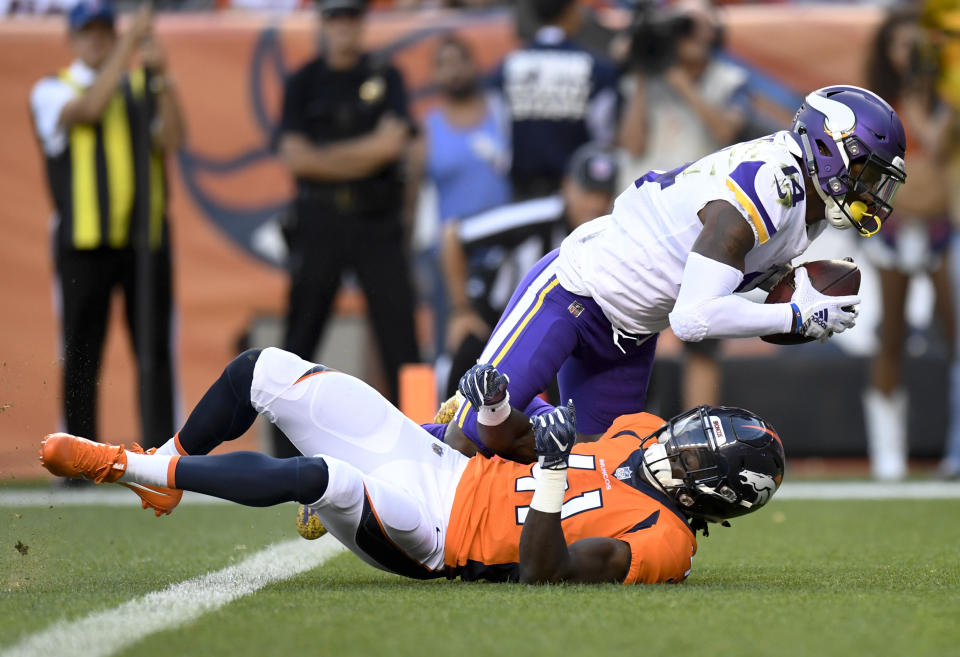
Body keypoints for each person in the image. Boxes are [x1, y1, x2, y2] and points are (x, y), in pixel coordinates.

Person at [39, 349, 785, 584]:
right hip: (441, 464)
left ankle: (135, 470)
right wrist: (496, 414)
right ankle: (170, 459)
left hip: (434, 532)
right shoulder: (640, 431)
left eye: (693, 451)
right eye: (690, 432)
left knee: (324, 476)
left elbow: (545, 570)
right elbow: (522, 453)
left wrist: (554, 470)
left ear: (711, 490)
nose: (674, 442)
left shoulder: (665, 540)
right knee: (263, 370)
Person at [449, 85, 907, 458]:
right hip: (574, 292)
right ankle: (392, 474)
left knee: (603, 468)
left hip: (629, 334)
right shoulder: (770, 183)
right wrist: (796, 316)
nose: (870, 191)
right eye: (866, 173)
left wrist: (792, 292)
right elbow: (694, 318)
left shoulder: (806, 204)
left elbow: (723, 275)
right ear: (829, 146)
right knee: (472, 436)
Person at [29, 2, 186, 458]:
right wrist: (132, 44)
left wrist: (164, 77)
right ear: (73, 39)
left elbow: (173, 139)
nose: (97, 40)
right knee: (82, 353)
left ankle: (162, 456)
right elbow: (91, 109)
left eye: (105, 32)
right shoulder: (52, 89)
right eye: (89, 32)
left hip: (144, 241)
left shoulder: (142, 87)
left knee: (154, 351)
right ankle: (78, 455)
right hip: (84, 242)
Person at [274, 0, 421, 456]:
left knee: (401, 337)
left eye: (352, 17)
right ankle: (283, 451)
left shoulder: (386, 76)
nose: (344, 26)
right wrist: (366, 154)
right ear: (323, 23)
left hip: (377, 220)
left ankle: (420, 445)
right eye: (336, 17)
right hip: (320, 221)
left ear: (362, 22)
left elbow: (394, 145)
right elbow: (294, 157)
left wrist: (324, 161)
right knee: (300, 336)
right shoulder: (304, 81)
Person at [618, 0, 751, 410]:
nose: (685, 36)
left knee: (703, 337)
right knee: (627, 336)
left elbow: (729, 131)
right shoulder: (646, 79)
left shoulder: (729, 80)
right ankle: (623, 442)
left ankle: (701, 437)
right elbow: (631, 143)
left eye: (691, 27)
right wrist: (643, 73)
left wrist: (682, 84)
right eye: (680, 28)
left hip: (702, 221)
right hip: (644, 220)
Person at [441, 142, 618, 403]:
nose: (594, 204)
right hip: (498, 320)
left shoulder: (612, 234)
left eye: (602, 195)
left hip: (561, 331)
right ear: (567, 186)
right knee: (467, 364)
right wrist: (461, 310)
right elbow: (453, 234)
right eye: (587, 191)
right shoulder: (537, 216)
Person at [859, 9, 955, 481]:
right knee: (891, 335)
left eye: (919, 46)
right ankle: (887, 452)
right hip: (894, 229)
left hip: (943, 228)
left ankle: (952, 449)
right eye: (902, 46)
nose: (911, 56)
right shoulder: (875, 104)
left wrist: (925, 99)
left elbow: (939, 149)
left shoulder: (946, 100)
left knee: (955, 334)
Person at [413, 33, 512, 360]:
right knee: (454, 352)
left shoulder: (501, 115)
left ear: (474, 64)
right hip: (452, 259)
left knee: (509, 350)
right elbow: (411, 199)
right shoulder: (428, 129)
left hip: (505, 255)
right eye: (444, 64)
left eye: (459, 61)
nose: (453, 71)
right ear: (434, 74)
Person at [493, 0, 619, 199]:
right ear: (569, 10)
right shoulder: (598, 69)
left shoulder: (507, 66)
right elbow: (603, 137)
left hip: (524, 193)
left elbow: (500, 133)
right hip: (581, 194)